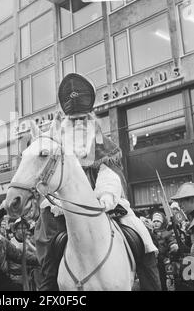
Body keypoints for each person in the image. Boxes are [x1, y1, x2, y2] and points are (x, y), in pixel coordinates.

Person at [34, 73, 161, 291]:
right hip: (64, 208)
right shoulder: (58, 145)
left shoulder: (104, 144)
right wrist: (56, 202)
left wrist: (106, 197)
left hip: (105, 205)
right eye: (74, 120)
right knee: (48, 244)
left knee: (142, 236)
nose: (79, 123)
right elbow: (47, 174)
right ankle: (48, 289)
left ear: (91, 118)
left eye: (83, 118)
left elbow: (111, 173)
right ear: (66, 122)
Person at [151, 211, 178, 291]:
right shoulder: (150, 234)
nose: (155, 223)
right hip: (154, 261)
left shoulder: (167, 233)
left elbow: (171, 240)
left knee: (168, 278)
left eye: (158, 221)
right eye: (154, 221)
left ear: (162, 223)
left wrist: (173, 244)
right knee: (158, 279)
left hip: (166, 260)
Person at [171, 182, 194, 256]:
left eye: (182, 201)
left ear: (191, 200)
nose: (179, 205)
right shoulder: (190, 219)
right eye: (178, 202)